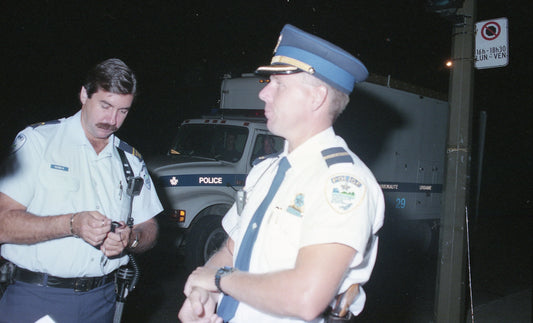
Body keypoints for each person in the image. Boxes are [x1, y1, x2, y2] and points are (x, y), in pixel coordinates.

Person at [178, 24, 385, 323]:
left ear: (316, 98)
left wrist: (219, 280)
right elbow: (232, 249)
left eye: (278, 84)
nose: (263, 92)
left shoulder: (342, 183)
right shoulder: (265, 171)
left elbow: (306, 297)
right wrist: (204, 295)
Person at [0, 58, 163, 322]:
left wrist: (130, 238)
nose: (112, 120)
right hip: (38, 297)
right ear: (84, 94)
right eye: (106, 105)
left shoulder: (130, 159)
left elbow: (150, 227)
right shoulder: (39, 143)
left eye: (123, 111)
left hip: (104, 299)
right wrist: (72, 224)